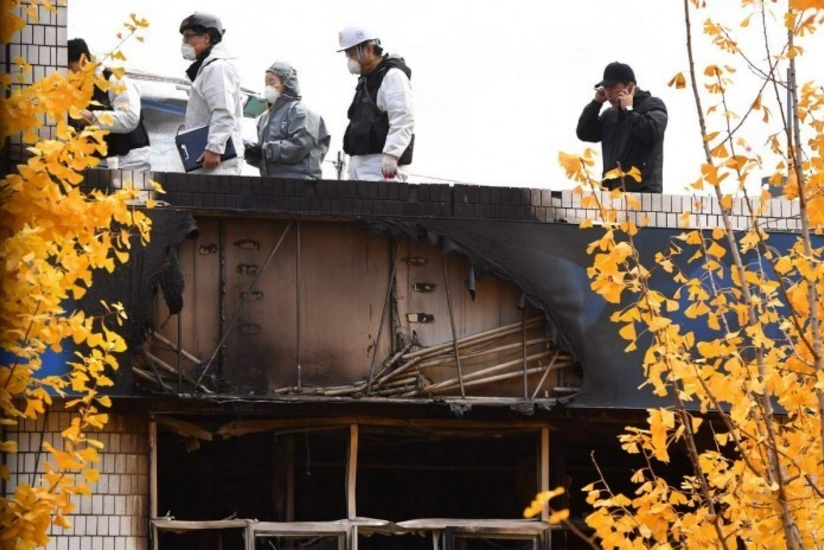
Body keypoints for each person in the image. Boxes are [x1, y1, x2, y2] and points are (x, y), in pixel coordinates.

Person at [338, 26, 415, 182]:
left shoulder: (392, 76)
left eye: (351, 54)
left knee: (379, 206)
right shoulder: (367, 80)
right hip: (360, 164)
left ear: (367, 49)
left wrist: (392, 155)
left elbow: (403, 117)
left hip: (381, 165)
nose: (349, 60)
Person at [576, 62, 667, 193]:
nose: (608, 94)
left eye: (612, 87)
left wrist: (629, 111)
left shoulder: (653, 104)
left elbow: (651, 132)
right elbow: (584, 133)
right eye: (605, 88)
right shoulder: (610, 115)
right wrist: (596, 104)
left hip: (643, 193)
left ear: (630, 87)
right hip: (611, 194)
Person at [67, 38, 152, 171]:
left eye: (70, 68)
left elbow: (130, 118)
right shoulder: (74, 91)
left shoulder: (115, 80)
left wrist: (93, 118)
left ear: (83, 61)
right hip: (97, 163)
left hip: (130, 160)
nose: (67, 75)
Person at [178, 12, 244, 175]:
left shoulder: (217, 68)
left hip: (217, 159)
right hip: (207, 156)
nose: (184, 42)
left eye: (188, 37)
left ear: (206, 38)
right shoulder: (207, 69)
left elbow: (223, 111)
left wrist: (215, 147)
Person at [244, 62, 330, 179]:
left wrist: (264, 151)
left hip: (299, 185)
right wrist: (250, 152)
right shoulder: (264, 118)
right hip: (270, 184)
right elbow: (266, 157)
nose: (268, 87)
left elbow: (299, 146)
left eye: (272, 82)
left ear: (287, 83)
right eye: (266, 84)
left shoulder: (301, 112)